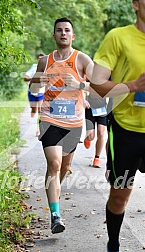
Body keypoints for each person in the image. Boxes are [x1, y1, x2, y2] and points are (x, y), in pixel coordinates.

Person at [29, 17, 94, 234]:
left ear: (73, 36)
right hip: (49, 120)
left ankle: (54, 192)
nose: (63, 33)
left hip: (73, 123)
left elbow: (100, 87)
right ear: (54, 35)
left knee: (64, 167)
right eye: (59, 30)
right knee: (55, 164)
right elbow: (34, 88)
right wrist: (40, 79)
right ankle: (55, 215)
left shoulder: (83, 60)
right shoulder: (45, 61)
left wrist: (79, 85)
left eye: (67, 30)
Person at [90, 1, 145, 251]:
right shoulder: (118, 37)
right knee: (120, 195)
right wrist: (133, 86)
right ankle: (114, 244)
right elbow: (97, 83)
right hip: (125, 129)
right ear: (135, 4)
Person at [83, 95, 108, 168]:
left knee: (101, 133)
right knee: (91, 137)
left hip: (102, 109)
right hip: (90, 108)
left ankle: (97, 158)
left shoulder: (107, 82)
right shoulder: (89, 82)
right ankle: (87, 138)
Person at [24, 53, 45, 136]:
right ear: (37, 59)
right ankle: (33, 114)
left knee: (40, 111)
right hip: (32, 92)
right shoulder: (34, 67)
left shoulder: (47, 68)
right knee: (34, 110)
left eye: (42, 58)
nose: (40, 60)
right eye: (39, 58)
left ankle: (38, 129)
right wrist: (32, 82)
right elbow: (25, 77)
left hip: (41, 93)